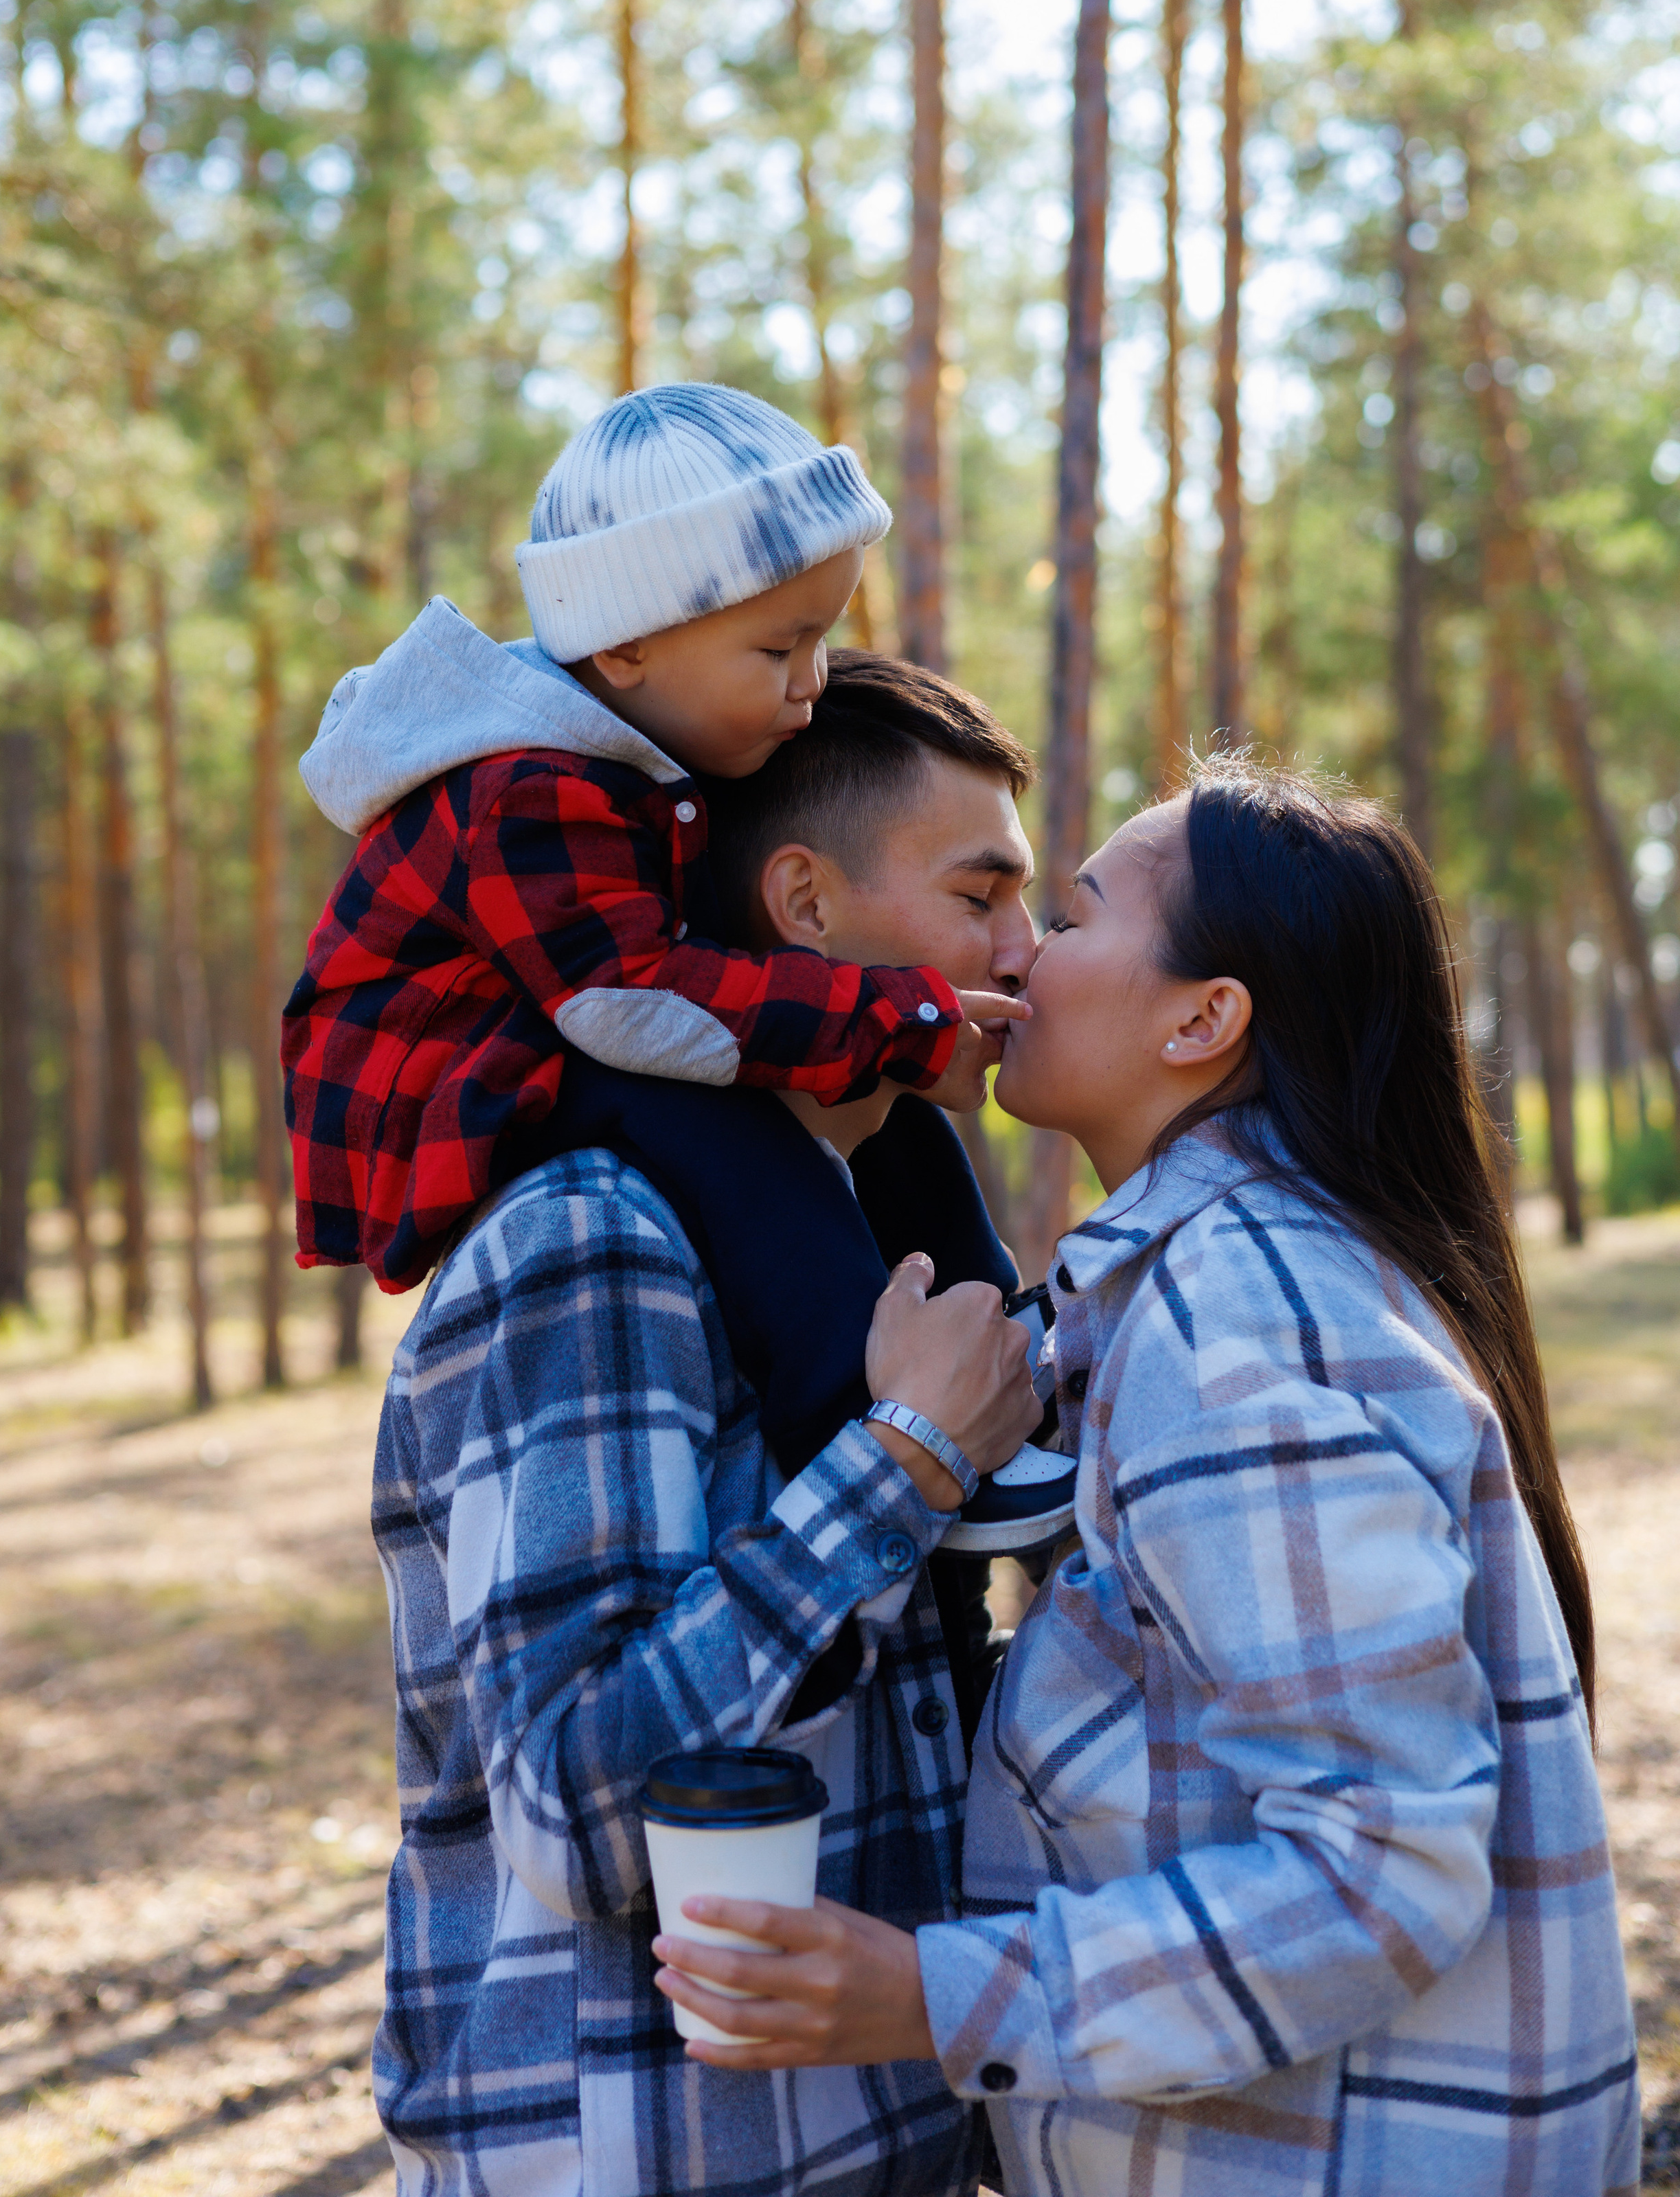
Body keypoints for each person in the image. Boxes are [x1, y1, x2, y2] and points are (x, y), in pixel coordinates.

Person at [652, 757, 1640, 2197]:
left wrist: (933, 1996)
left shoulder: (1237, 1308)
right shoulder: (1221, 1278)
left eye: (1065, 915)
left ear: (1201, 1017)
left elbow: (1378, 1870)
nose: (1016, 956)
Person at [370, 656, 1048, 2196]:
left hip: (877, 2145)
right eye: (979, 894)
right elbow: (580, 1807)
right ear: (804, 910)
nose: (1028, 952)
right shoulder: (597, 1239)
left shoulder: (873, 1220)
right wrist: (903, 1464)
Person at [284, 381, 1022, 1291]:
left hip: (559, 1044)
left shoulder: (643, 763)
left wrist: (890, 1029)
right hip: (445, 1092)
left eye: (822, 640)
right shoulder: (531, 792)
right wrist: (898, 1016)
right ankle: (837, 1377)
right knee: (735, 1104)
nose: (813, 682)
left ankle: (993, 1315)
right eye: (777, 651)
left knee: (867, 1075)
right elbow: (628, 1005)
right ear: (624, 646)